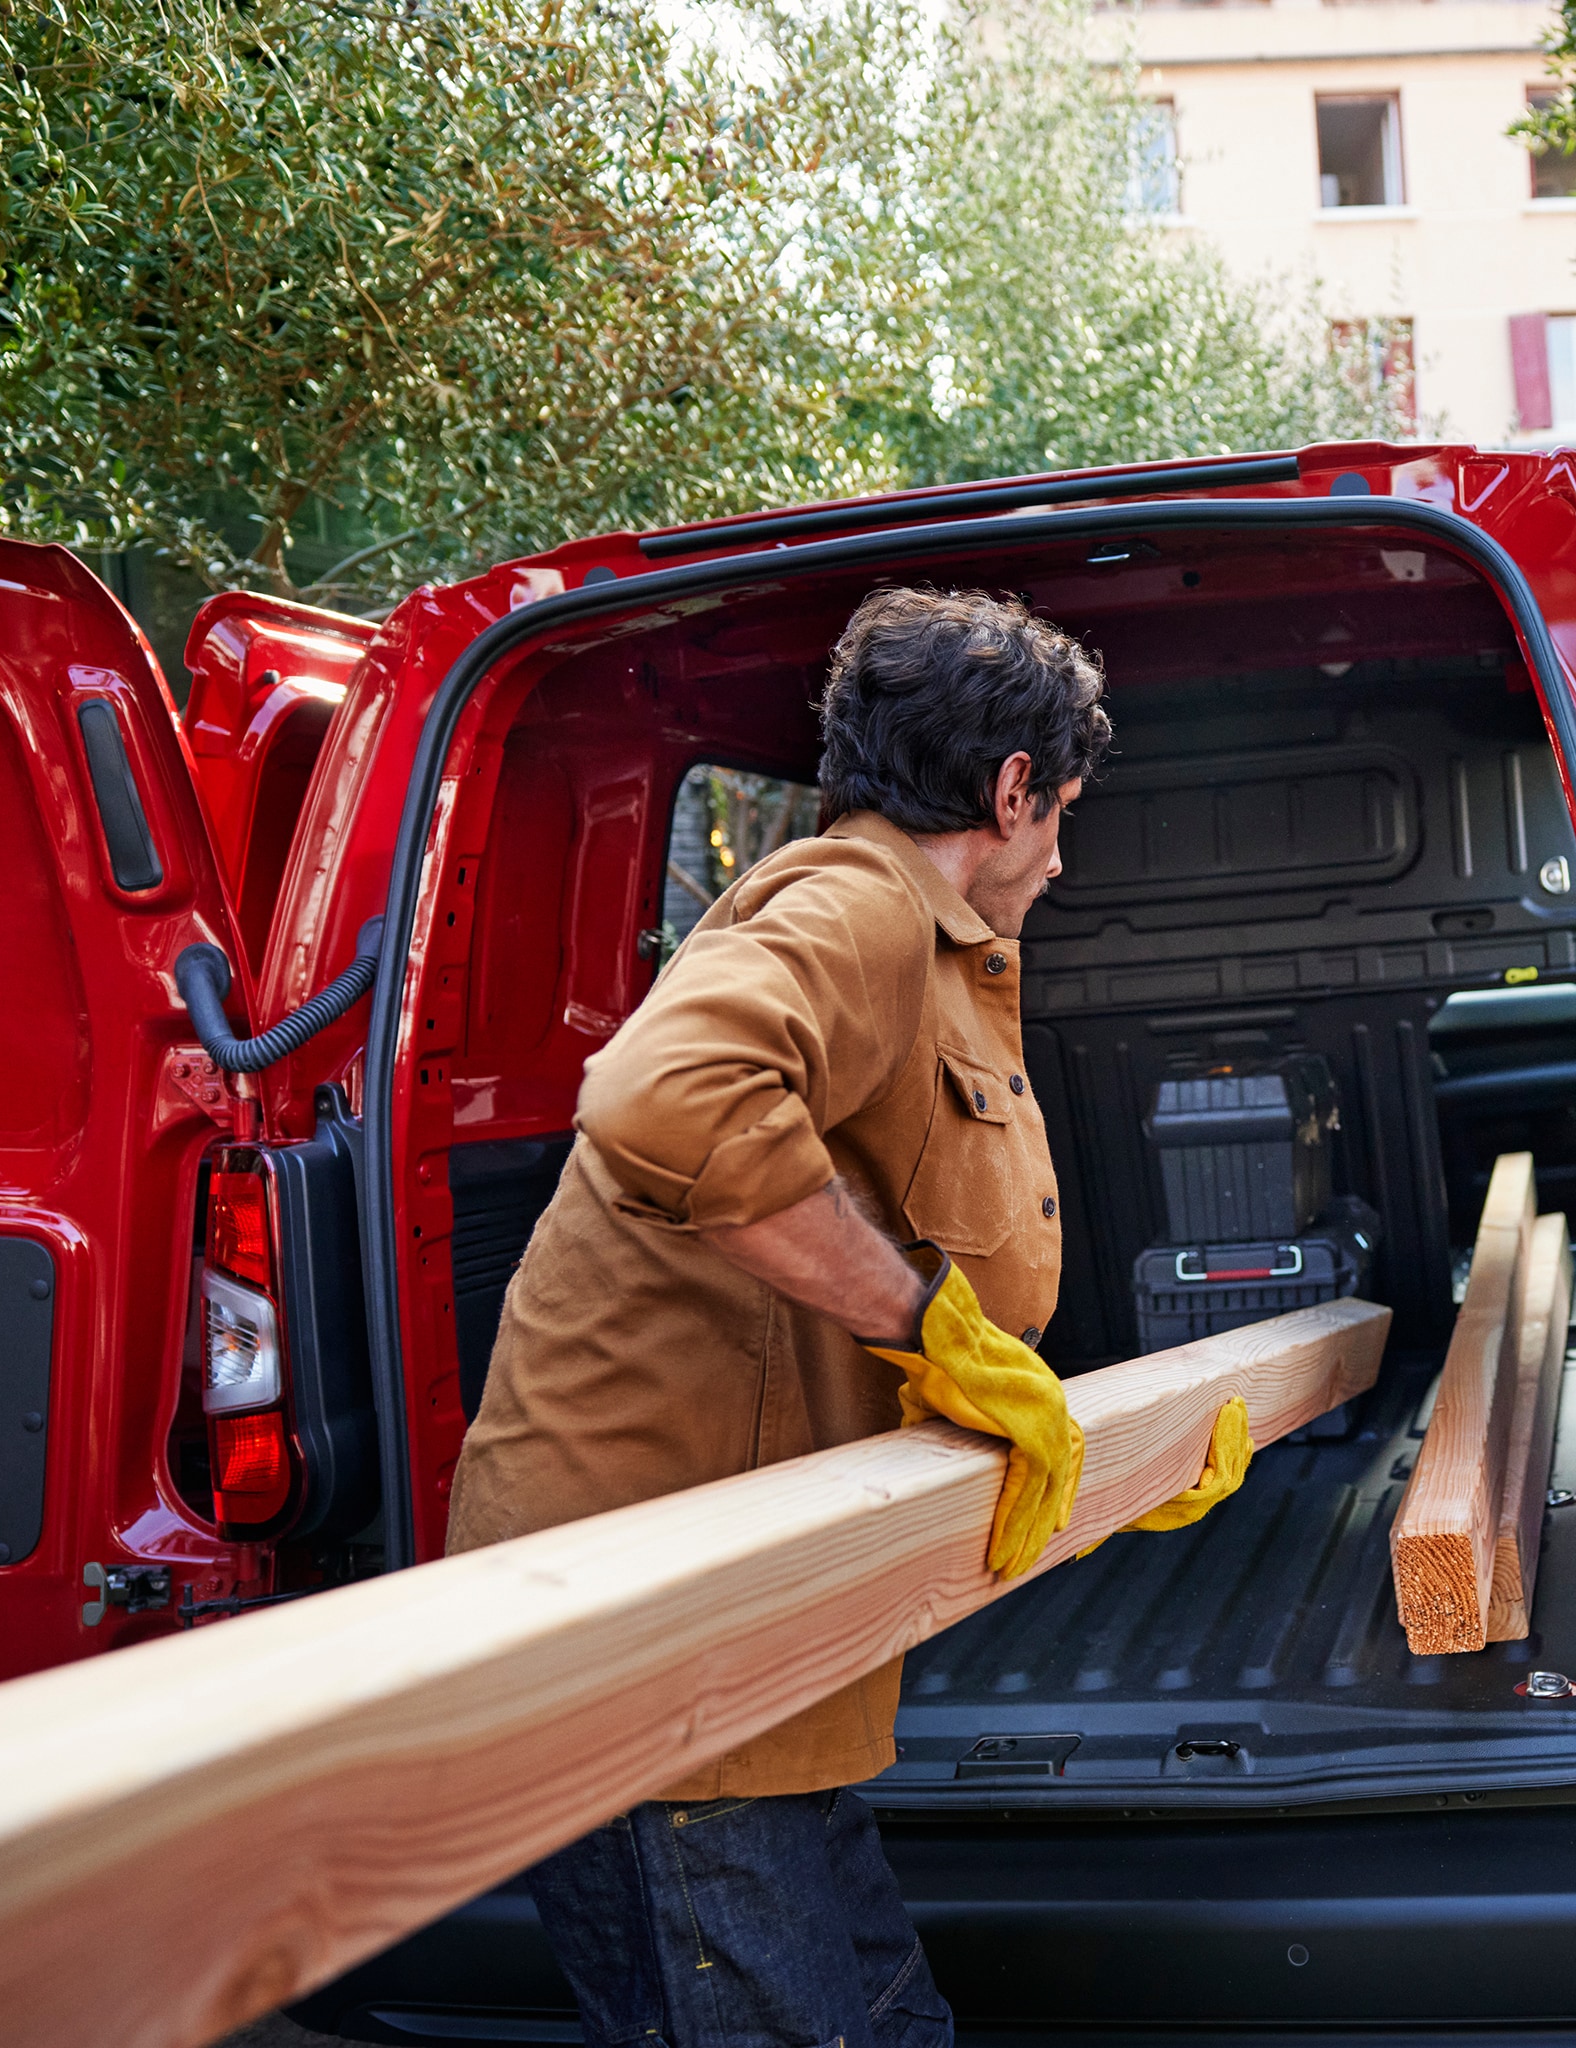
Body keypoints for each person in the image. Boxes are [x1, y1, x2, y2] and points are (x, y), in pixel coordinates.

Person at [446, 585, 1249, 2048]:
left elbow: (901, 1271)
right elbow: (660, 1098)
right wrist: (930, 1327)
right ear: (1010, 790)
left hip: (745, 1646)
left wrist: (1121, 1462)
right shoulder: (859, 904)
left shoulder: (917, 938)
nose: (1062, 858)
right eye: (1060, 812)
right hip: (655, 1650)